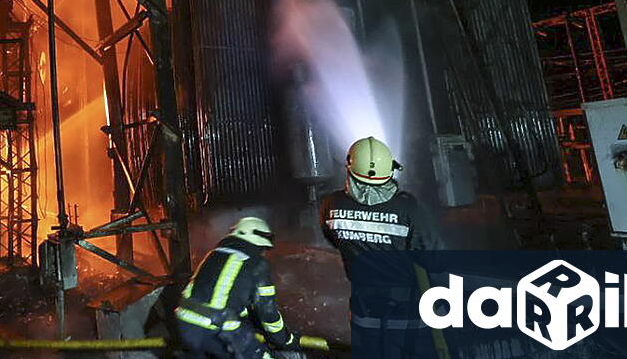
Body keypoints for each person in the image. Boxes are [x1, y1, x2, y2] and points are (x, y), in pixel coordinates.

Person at [320, 136, 446, 358]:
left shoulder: (332, 204)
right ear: (389, 171)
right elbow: (435, 257)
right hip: (406, 305)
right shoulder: (408, 207)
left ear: (349, 168)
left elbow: (333, 239)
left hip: (363, 304)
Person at [175, 217, 301, 359]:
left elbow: (227, 298)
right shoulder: (256, 263)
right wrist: (285, 340)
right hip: (217, 329)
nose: (263, 252)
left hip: (184, 324)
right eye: (262, 248)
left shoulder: (214, 255)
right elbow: (267, 311)